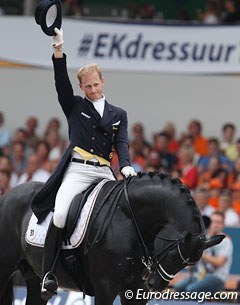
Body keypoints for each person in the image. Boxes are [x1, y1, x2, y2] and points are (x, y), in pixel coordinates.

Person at [31, 27, 137, 300]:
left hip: (103, 171)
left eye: (96, 84)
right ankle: (50, 273)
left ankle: (132, 270)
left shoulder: (119, 114)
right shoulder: (75, 105)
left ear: (103, 81)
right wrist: (58, 51)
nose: (92, 89)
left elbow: (121, 143)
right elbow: (60, 84)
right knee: (62, 213)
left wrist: (124, 165)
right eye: (87, 86)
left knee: (125, 216)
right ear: (82, 87)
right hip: (78, 169)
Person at [174, 211, 233, 295]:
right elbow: (192, 265)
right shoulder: (204, 238)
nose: (215, 225)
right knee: (179, 287)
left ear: (223, 225)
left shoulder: (226, 241)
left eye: (219, 222)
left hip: (216, 278)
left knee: (191, 290)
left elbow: (219, 262)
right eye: (213, 221)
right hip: (200, 276)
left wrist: (200, 252)